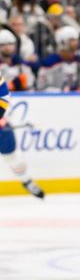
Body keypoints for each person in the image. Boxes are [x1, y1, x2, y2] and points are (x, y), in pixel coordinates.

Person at [0, 30, 44, 198]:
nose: (6, 48)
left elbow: (5, 93)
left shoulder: (20, 65)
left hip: (3, 119)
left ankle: (26, 180)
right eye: (2, 45)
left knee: (10, 152)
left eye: (9, 44)